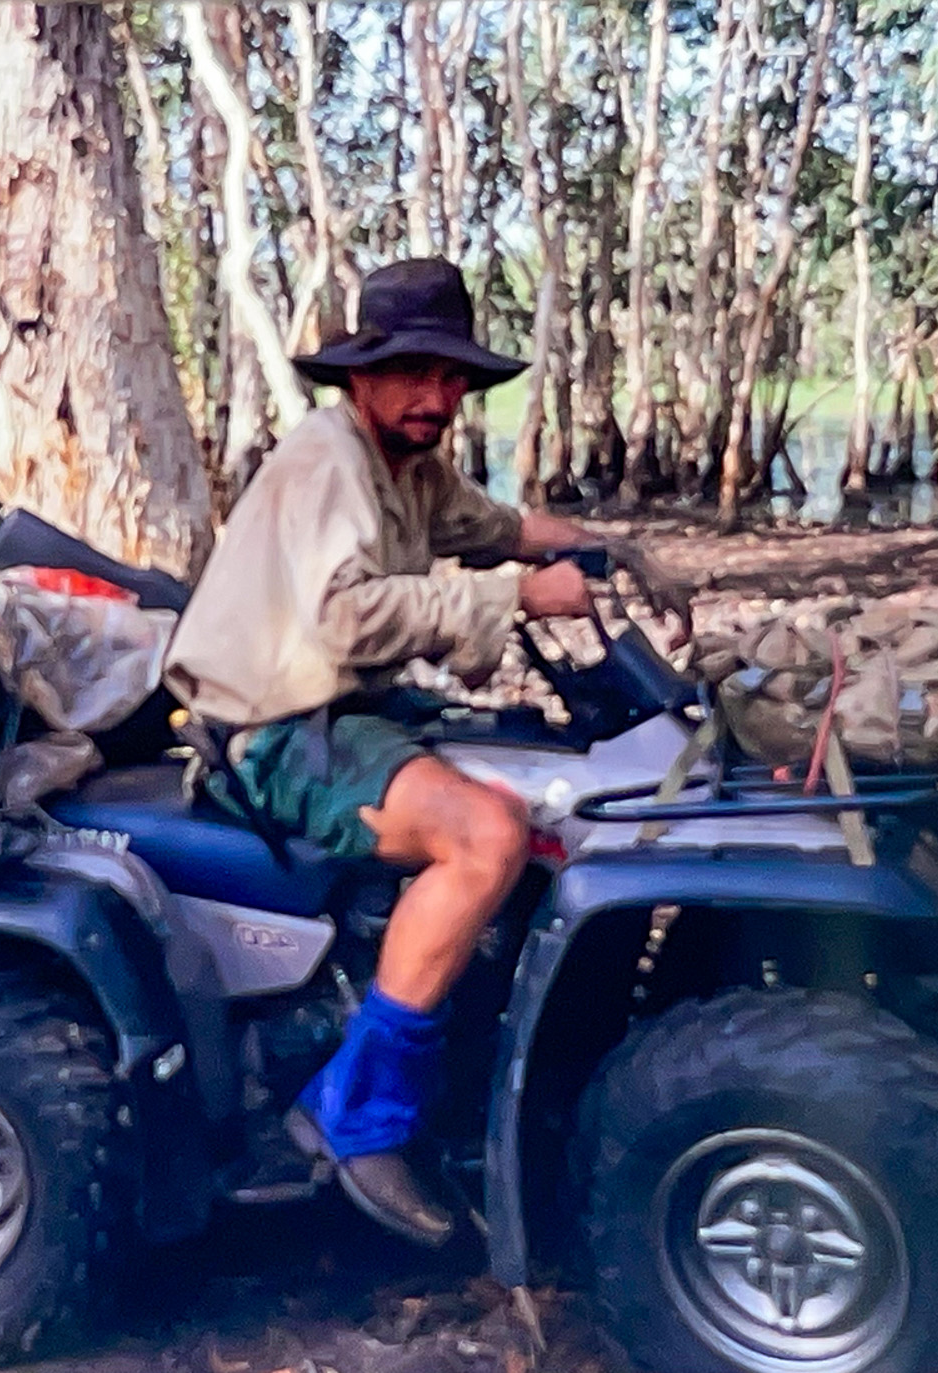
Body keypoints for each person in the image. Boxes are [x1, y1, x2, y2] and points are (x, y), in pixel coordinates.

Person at [165, 258, 609, 1246]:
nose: (436, 396)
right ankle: (353, 1113)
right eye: (415, 372)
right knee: (486, 835)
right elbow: (348, 614)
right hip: (276, 724)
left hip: (347, 702)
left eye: (452, 378)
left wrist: (595, 548)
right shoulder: (330, 460)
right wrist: (513, 598)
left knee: (539, 774)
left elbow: (488, 527)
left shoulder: (408, 462)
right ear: (360, 376)